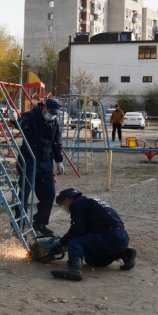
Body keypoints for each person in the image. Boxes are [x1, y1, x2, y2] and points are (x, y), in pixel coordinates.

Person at [50, 188, 136, 281]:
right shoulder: (89, 202)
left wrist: (62, 241)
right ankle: (124, 253)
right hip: (121, 237)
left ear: (67, 200)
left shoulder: (77, 204)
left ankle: (74, 269)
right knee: (92, 260)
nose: (65, 208)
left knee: (74, 242)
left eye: (63, 205)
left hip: (110, 236)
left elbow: (77, 230)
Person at [17, 97, 65, 237]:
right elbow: (21, 124)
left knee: (49, 194)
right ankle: (19, 225)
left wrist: (59, 160)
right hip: (29, 162)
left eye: (55, 114)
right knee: (24, 194)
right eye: (51, 112)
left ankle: (40, 223)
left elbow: (56, 143)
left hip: (46, 164)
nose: (53, 115)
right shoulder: (31, 116)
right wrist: (15, 120)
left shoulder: (55, 123)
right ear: (44, 108)